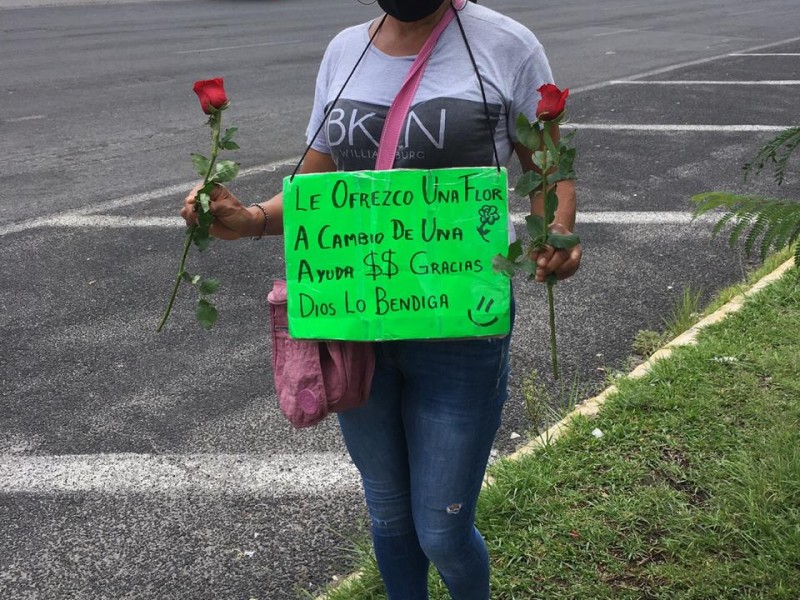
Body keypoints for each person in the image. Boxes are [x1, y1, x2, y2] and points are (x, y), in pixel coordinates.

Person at [182, 1, 581, 598]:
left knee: (443, 530)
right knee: (390, 518)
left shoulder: (507, 46)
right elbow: (321, 183)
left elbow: (545, 171)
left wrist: (558, 234)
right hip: (355, 325)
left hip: (460, 332)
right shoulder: (346, 51)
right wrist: (252, 219)